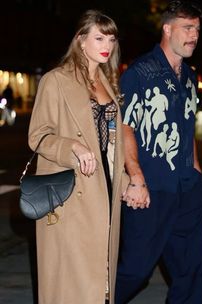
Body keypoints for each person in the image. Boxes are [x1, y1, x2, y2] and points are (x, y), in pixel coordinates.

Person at [28, 10, 129, 304]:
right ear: (81, 40)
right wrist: (73, 146)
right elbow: (38, 136)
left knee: (101, 278)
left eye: (110, 38)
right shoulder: (55, 80)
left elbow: (111, 140)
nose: (106, 45)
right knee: (74, 284)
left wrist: (125, 178)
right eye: (99, 37)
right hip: (71, 197)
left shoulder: (108, 81)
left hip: (104, 190)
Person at [115, 1, 202, 303]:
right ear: (167, 29)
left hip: (187, 188)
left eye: (197, 28)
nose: (194, 35)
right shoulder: (140, 73)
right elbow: (125, 127)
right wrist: (136, 177)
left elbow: (188, 125)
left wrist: (196, 171)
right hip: (152, 189)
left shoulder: (190, 77)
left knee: (191, 270)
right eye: (187, 28)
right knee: (135, 270)